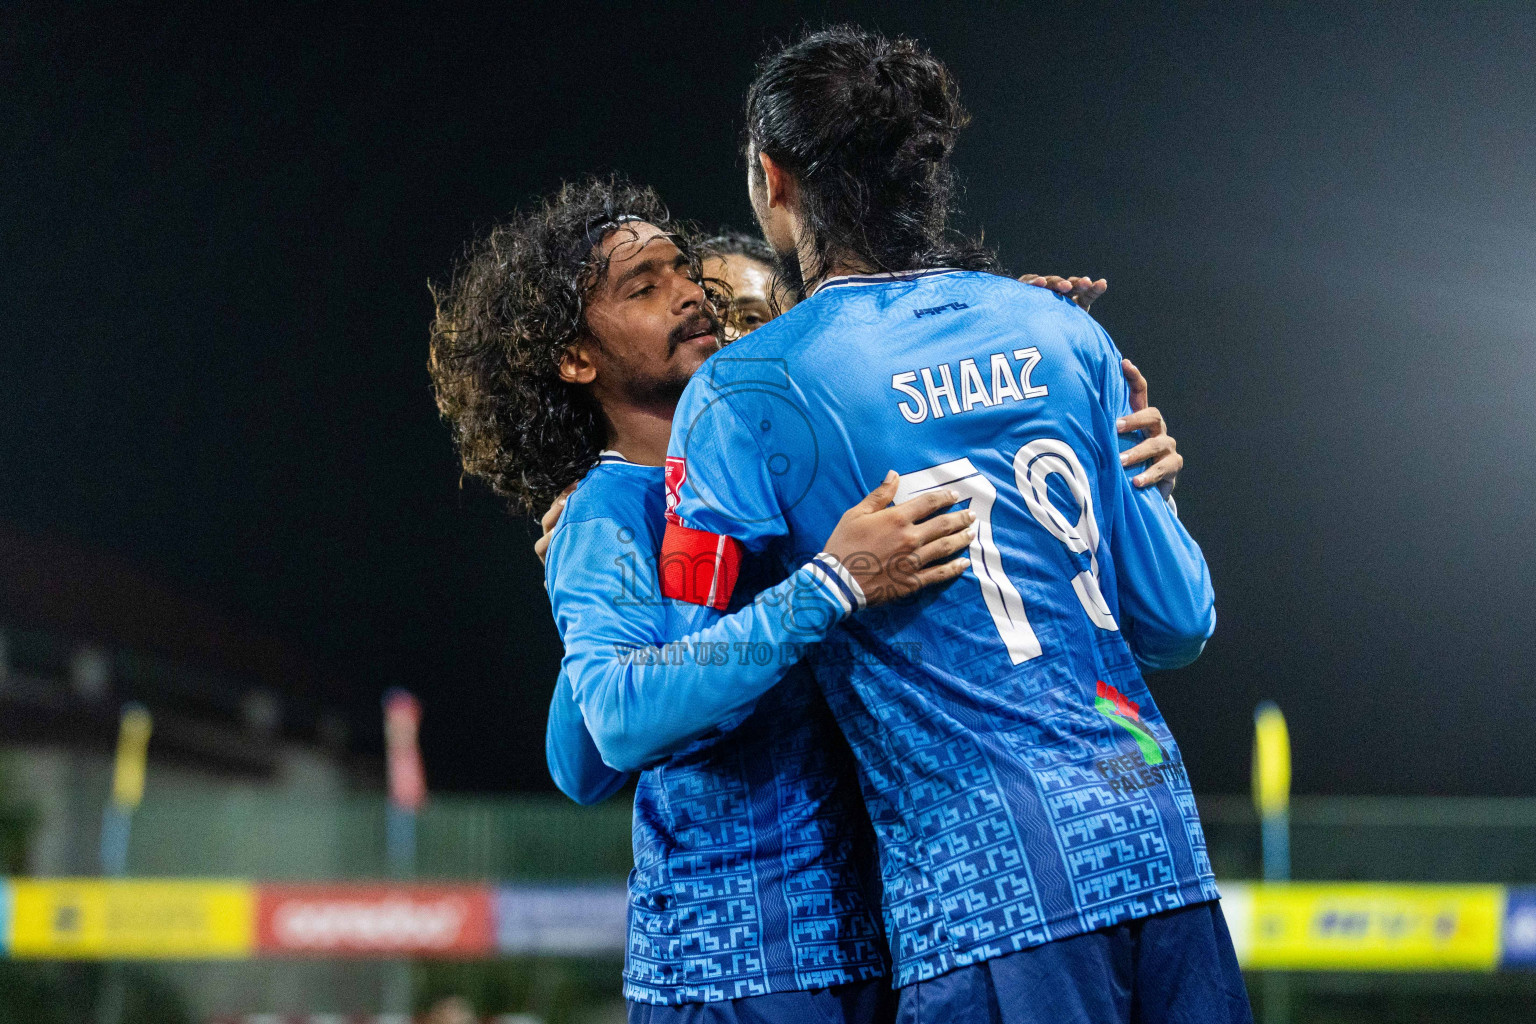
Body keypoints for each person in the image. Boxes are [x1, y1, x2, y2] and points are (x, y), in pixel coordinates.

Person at [658, 26, 1250, 1024]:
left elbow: (686, 690)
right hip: (1160, 845)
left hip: (988, 901)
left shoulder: (747, 387)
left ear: (773, 179)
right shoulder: (1066, 333)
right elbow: (1182, 621)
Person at [429, 176, 976, 1023]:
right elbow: (594, 748)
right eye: (646, 288)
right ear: (576, 359)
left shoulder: (799, 481)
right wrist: (826, 585)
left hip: (879, 944)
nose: (697, 305)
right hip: (736, 967)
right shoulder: (610, 514)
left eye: (692, 280)